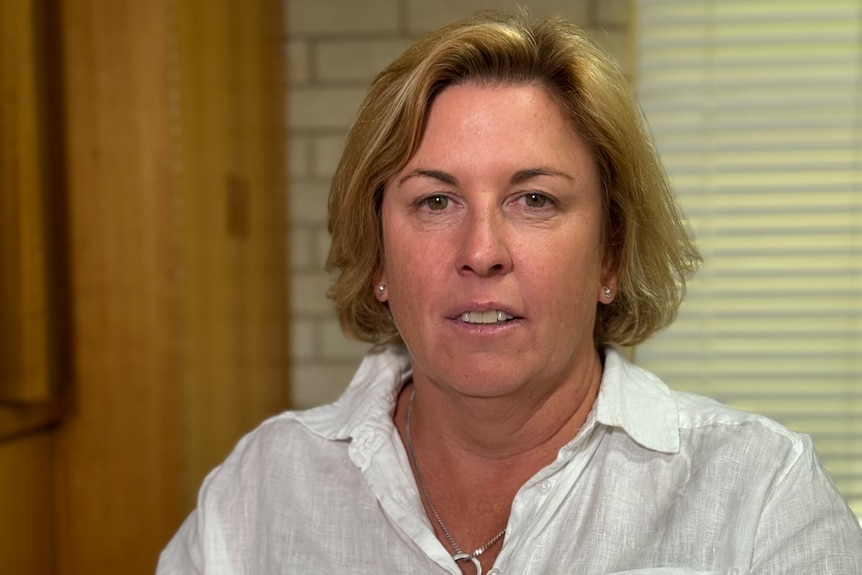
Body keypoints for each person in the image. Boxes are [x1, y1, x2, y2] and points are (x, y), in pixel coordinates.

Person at [157, 11, 862, 574]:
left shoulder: (761, 497)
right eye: (435, 201)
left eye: (533, 199)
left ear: (610, 252)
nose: (482, 252)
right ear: (377, 253)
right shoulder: (262, 490)